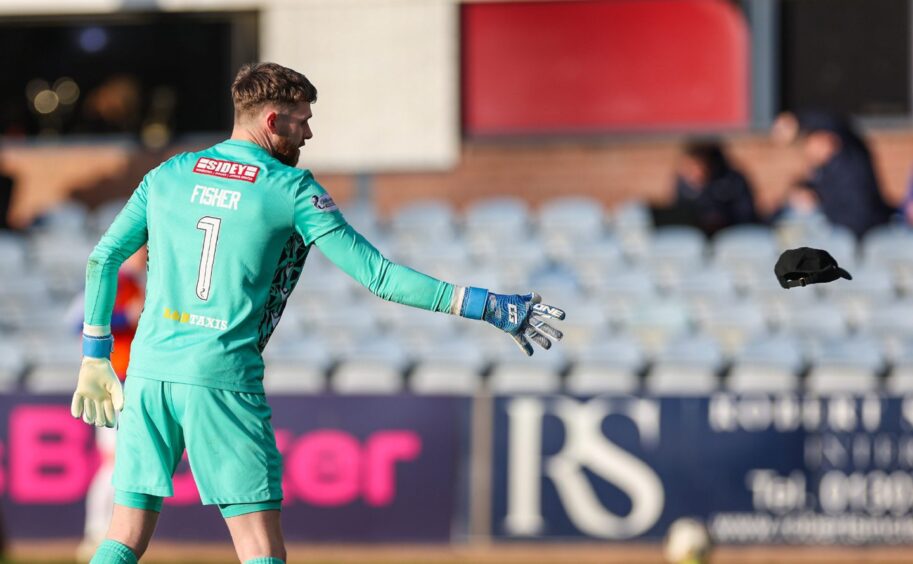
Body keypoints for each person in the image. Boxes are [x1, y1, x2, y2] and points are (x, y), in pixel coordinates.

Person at [70, 62, 565, 564]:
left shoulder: (168, 174)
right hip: (220, 376)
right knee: (260, 547)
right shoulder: (292, 188)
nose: (308, 131)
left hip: (149, 373)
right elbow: (379, 276)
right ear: (272, 121)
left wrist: (94, 357)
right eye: (301, 119)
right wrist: (484, 305)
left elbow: (102, 258)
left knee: (123, 536)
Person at [76, 247, 146, 562]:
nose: (145, 254)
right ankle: (96, 532)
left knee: (123, 464)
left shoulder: (139, 282)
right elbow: (80, 322)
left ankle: (105, 532)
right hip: (112, 379)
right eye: (142, 249)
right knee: (112, 463)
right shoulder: (116, 280)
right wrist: (126, 316)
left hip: (133, 378)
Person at [773, 110, 895, 238]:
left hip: (863, 232)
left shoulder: (850, 159)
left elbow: (836, 124)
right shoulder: (823, 171)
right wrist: (802, 192)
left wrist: (798, 120)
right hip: (843, 231)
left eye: (810, 142)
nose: (808, 150)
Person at [658, 139, 759, 236]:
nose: (693, 174)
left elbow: (746, 214)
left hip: (735, 235)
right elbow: (680, 217)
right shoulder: (683, 185)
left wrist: (723, 220)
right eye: (688, 169)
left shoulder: (733, 182)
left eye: (697, 167)